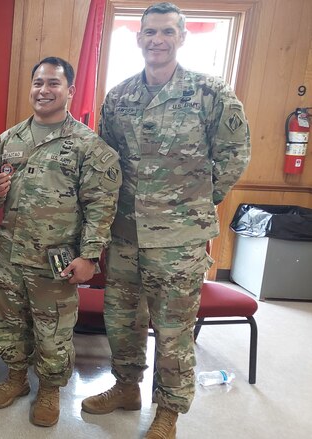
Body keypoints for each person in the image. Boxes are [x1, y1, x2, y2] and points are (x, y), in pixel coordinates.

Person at [80, 3, 251, 438]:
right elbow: (107, 163)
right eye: (150, 32)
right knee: (121, 319)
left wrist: (196, 204)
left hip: (178, 239)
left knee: (173, 329)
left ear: (181, 37)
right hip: (124, 235)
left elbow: (235, 155)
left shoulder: (210, 93)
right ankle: (125, 386)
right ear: (138, 38)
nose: (157, 40)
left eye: (167, 32)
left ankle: (169, 411)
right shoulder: (118, 97)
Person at [0, 57, 121, 427]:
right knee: (8, 324)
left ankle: (49, 389)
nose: (44, 90)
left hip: (54, 262)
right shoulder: (10, 139)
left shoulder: (87, 146)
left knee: (53, 332)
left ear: (70, 91)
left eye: (54, 84)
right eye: (38, 83)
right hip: (10, 254)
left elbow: (101, 205)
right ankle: (15, 378)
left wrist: (91, 255)